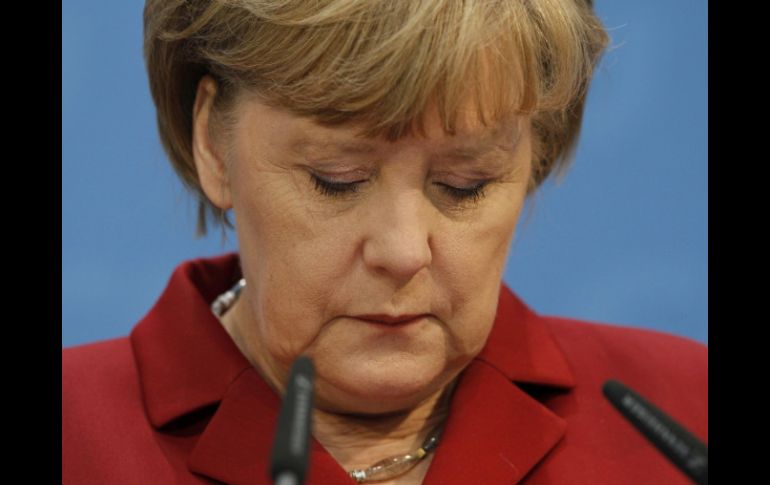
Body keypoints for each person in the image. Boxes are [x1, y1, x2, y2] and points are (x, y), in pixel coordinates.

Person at [62, 1, 707, 484]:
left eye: (464, 183)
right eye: (336, 179)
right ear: (213, 142)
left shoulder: (686, 409)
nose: (403, 252)